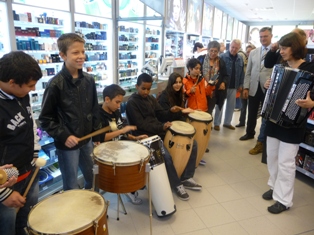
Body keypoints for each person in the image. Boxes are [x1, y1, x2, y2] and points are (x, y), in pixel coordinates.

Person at [39, 33, 102, 191]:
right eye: (75, 53)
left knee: (93, 177)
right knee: (71, 185)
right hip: (67, 145)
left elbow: (94, 109)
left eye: (82, 52)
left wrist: (97, 135)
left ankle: (92, 210)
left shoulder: (89, 80)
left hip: (87, 141)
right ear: (62, 55)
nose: (81, 56)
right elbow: (46, 119)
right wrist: (64, 136)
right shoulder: (55, 84)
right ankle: (75, 214)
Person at [126, 73, 202, 201]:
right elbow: (141, 125)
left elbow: (161, 114)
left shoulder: (150, 99)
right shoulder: (132, 103)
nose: (146, 91)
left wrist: (170, 112)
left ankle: (187, 177)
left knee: (192, 144)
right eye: (143, 88)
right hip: (144, 135)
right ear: (136, 86)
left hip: (158, 130)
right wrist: (161, 127)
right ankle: (177, 185)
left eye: (148, 89)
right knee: (165, 156)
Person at [262, 32, 314, 214]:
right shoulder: (279, 67)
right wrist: (267, 86)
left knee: (286, 162)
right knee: (272, 157)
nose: (281, 51)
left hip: (293, 123)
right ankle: (275, 186)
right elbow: (272, 94)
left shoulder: (310, 69)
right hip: (273, 121)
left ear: (295, 48)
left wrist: (312, 103)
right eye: (281, 48)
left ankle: (283, 200)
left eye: (284, 48)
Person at [0, 51, 42, 235]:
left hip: (29, 172)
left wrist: (34, 152)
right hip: (5, 185)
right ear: (11, 82)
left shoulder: (21, 94)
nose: (32, 90)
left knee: (27, 223)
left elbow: (30, 122)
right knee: (7, 229)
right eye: (30, 85)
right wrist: (3, 194)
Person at [98, 84, 148, 205]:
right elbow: (101, 137)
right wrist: (122, 131)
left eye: (120, 102)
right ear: (107, 99)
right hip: (107, 152)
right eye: (117, 102)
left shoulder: (115, 111)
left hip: (119, 146)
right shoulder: (98, 115)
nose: (119, 106)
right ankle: (130, 186)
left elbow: (120, 131)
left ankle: (134, 185)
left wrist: (134, 137)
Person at [241, 27, 273, 156]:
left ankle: (263, 138)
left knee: (265, 115)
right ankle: (249, 133)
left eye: (265, 36)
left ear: (271, 36)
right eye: (261, 37)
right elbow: (248, 72)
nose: (263, 39)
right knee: (252, 112)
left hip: (267, 88)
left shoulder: (276, 52)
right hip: (254, 87)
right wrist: (246, 87)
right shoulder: (254, 52)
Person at [214, 39, 244, 131]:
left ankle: (227, 122)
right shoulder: (222, 57)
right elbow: (217, 72)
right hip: (223, 85)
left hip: (234, 86)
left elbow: (242, 73)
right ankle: (216, 123)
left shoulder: (240, 59)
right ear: (229, 46)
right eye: (232, 47)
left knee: (231, 106)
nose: (234, 49)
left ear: (239, 48)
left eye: (236, 48)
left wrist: (241, 84)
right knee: (220, 104)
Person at [202, 41, 228, 115]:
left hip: (213, 92)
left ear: (218, 51)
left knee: (209, 112)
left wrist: (223, 83)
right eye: (211, 50)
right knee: (200, 111)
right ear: (208, 50)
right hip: (201, 91)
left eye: (215, 51)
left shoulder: (221, 62)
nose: (213, 53)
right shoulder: (201, 59)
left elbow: (225, 75)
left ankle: (208, 126)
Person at [236, 44, 256, 127]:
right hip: (244, 86)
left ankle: (250, 125)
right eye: (247, 52)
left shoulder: (255, 63)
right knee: (243, 106)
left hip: (253, 88)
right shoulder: (244, 61)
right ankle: (242, 122)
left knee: (251, 108)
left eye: (250, 51)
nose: (248, 53)